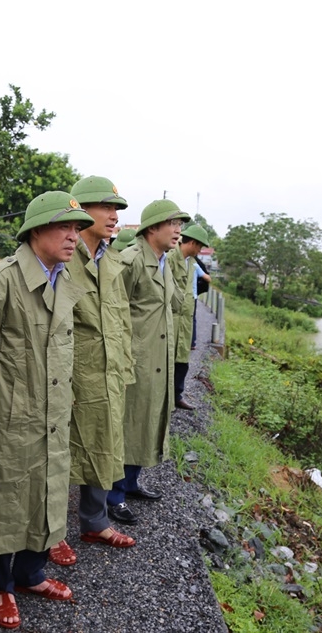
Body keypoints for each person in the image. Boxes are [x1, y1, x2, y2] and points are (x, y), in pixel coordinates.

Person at [0, 191, 94, 630]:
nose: (74, 236)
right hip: (13, 412)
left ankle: (31, 572)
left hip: (54, 410)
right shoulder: (1, 282)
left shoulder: (65, 278)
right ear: (36, 230)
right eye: (64, 227)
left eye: (77, 229)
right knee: (8, 493)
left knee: (50, 489)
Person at [51, 176, 136, 567]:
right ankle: (49, 533)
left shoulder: (111, 258)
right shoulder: (64, 258)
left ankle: (94, 521)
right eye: (106, 208)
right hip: (72, 371)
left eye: (117, 209)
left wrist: (125, 366)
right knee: (57, 452)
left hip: (109, 370)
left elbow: (121, 319)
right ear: (81, 212)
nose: (114, 216)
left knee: (104, 443)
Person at [107, 199, 191, 526]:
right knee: (128, 426)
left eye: (180, 225)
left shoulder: (164, 260)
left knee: (148, 421)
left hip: (159, 359)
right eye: (173, 223)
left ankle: (130, 483)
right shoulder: (130, 261)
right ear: (153, 227)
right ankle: (114, 496)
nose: (178, 230)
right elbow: (113, 311)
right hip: (136, 360)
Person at [168, 223, 212, 409]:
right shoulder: (170, 258)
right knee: (165, 359)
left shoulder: (192, 263)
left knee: (182, 359)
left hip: (186, 317)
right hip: (171, 317)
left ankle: (177, 395)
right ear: (193, 243)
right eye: (200, 246)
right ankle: (163, 398)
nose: (200, 250)